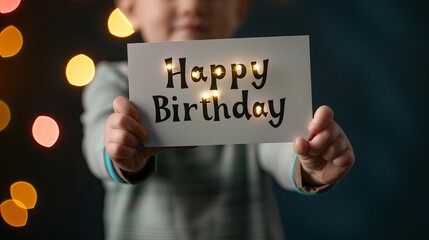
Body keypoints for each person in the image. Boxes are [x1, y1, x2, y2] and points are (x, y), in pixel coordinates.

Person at [81, 0, 355, 239]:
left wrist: (309, 161)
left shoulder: (254, 80)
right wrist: (116, 146)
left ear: (239, 8)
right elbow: (97, 138)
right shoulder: (114, 80)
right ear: (130, 6)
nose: (192, 5)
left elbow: (278, 142)